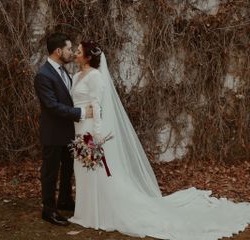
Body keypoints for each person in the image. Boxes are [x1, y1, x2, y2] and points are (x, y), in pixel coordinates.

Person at [69, 40, 250, 240]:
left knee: (96, 172)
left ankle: (98, 213)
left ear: (87, 57)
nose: (75, 53)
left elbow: (97, 106)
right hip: (79, 128)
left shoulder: (95, 77)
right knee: (83, 170)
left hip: (90, 130)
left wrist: (97, 135)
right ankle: (86, 212)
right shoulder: (76, 76)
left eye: (78, 51)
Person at [34, 33, 93, 226]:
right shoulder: (43, 75)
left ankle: (65, 200)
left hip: (68, 132)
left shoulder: (63, 71)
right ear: (58, 51)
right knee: (50, 172)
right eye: (69, 49)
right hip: (52, 132)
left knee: (68, 169)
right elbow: (52, 106)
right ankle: (48, 210)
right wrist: (81, 113)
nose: (71, 53)